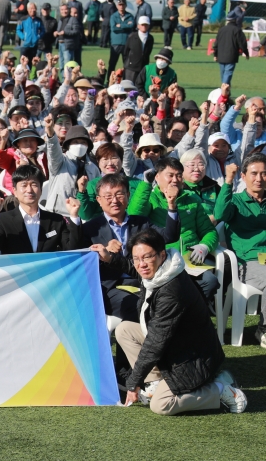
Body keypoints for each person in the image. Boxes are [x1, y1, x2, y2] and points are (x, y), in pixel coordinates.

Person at [114, 228, 246, 415]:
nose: (140, 264)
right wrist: (110, 258)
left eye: (147, 257)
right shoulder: (162, 270)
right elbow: (135, 268)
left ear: (161, 254)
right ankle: (156, 383)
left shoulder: (172, 289)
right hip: (176, 347)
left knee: (161, 405)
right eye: (136, 258)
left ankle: (222, 390)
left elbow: (155, 343)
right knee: (124, 329)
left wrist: (134, 382)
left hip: (192, 357)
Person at [82, 173, 180, 322]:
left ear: (128, 195)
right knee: (139, 308)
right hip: (110, 287)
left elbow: (169, 237)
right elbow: (83, 263)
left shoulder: (142, 223)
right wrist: (104, 251)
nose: (114, 200)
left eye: (119, 194)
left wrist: (171, 205)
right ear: (99, 200)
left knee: (173, 301)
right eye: (108, 196)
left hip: (142, 281)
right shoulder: (90, 229)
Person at [129, 156, 219, 305]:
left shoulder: (191, 199)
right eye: (170, 175)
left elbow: (209, 231)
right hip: (163, 261)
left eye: (178, 175)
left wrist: (204, 246)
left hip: (190, 260)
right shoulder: (151, 199)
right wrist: (146, 184)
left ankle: (190, 317)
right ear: (157, 177)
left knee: (210, 281)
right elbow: (134, 215)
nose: (175, 180)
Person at [214, 153, 266, 347]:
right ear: (243, 177)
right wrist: (228, 181)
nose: (259, 178)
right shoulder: (235, 201)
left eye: (264, 173)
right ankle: (264, 329)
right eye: (254, 174)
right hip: (247, 261)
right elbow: (219, 213)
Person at [0, 165, 82, 255]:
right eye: (24, 185)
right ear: (15, 191)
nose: (29, 190)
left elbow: (73, 250)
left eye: (34, 184)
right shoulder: (3, 220)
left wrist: (74, 216)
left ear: (41, 190)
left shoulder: (56, 220)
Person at [213, 18, 249, 86]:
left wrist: (215, 54)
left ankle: (226, 93)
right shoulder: (237, 30)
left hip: (221, 55)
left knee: (223, 73)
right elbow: (242, 43)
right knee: (228, 73)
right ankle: (224, 89)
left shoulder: (222, 29)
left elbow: (216, 43)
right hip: (231, 55)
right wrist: (246, 52)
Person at [108, 0, 135, 81]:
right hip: (116, 43)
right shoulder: (113, 16)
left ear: (125, 5)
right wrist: (125, 25)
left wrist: (120, 25)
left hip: (127, 42)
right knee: (112, 63)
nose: (121, 6)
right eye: (119, 5)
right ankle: (109, 80)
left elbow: (131, 26)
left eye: (123, 5)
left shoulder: (130, 16)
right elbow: (114, 28)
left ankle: (126, 80)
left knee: (127, 64)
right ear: (117, 6)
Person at [122, 16, 153, 84]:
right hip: (131, 68)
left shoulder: (150, 38)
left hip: (143, 68)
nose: (144, 26)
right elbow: (126, 52)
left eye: (146, 25)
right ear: (138, 25)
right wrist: (127, 64)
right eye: (142, 25)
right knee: (129, 88)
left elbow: (148, 52)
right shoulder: (132, 36)